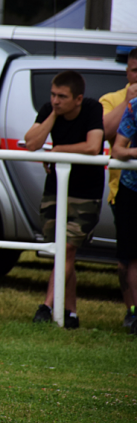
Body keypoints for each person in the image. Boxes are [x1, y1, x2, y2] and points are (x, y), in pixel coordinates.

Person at [25, 70, 104, 329]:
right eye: (53, 95)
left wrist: (58, 150)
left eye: (62, 96)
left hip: (85, 193)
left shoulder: (92, 109)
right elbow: (32, 143)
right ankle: (71, 312)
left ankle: (46, 306)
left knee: (67, 250)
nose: (55, 100)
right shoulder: (50, 110)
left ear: (78, 98)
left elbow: (94, 146)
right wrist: (52, 115)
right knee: (62, 252)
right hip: (55, 191)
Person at [100, 48, 137, 328]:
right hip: (123, 191)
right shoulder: (116, 100)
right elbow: (106, 135)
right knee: (127, 258)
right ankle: (132, 312)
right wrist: (127, 102)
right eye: (134, 71)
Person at [110, 95, 137, 334]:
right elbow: (117, 149)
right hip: (131, 189)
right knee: (130, 259)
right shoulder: (134, 107)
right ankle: (135, 314)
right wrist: (134, 152)